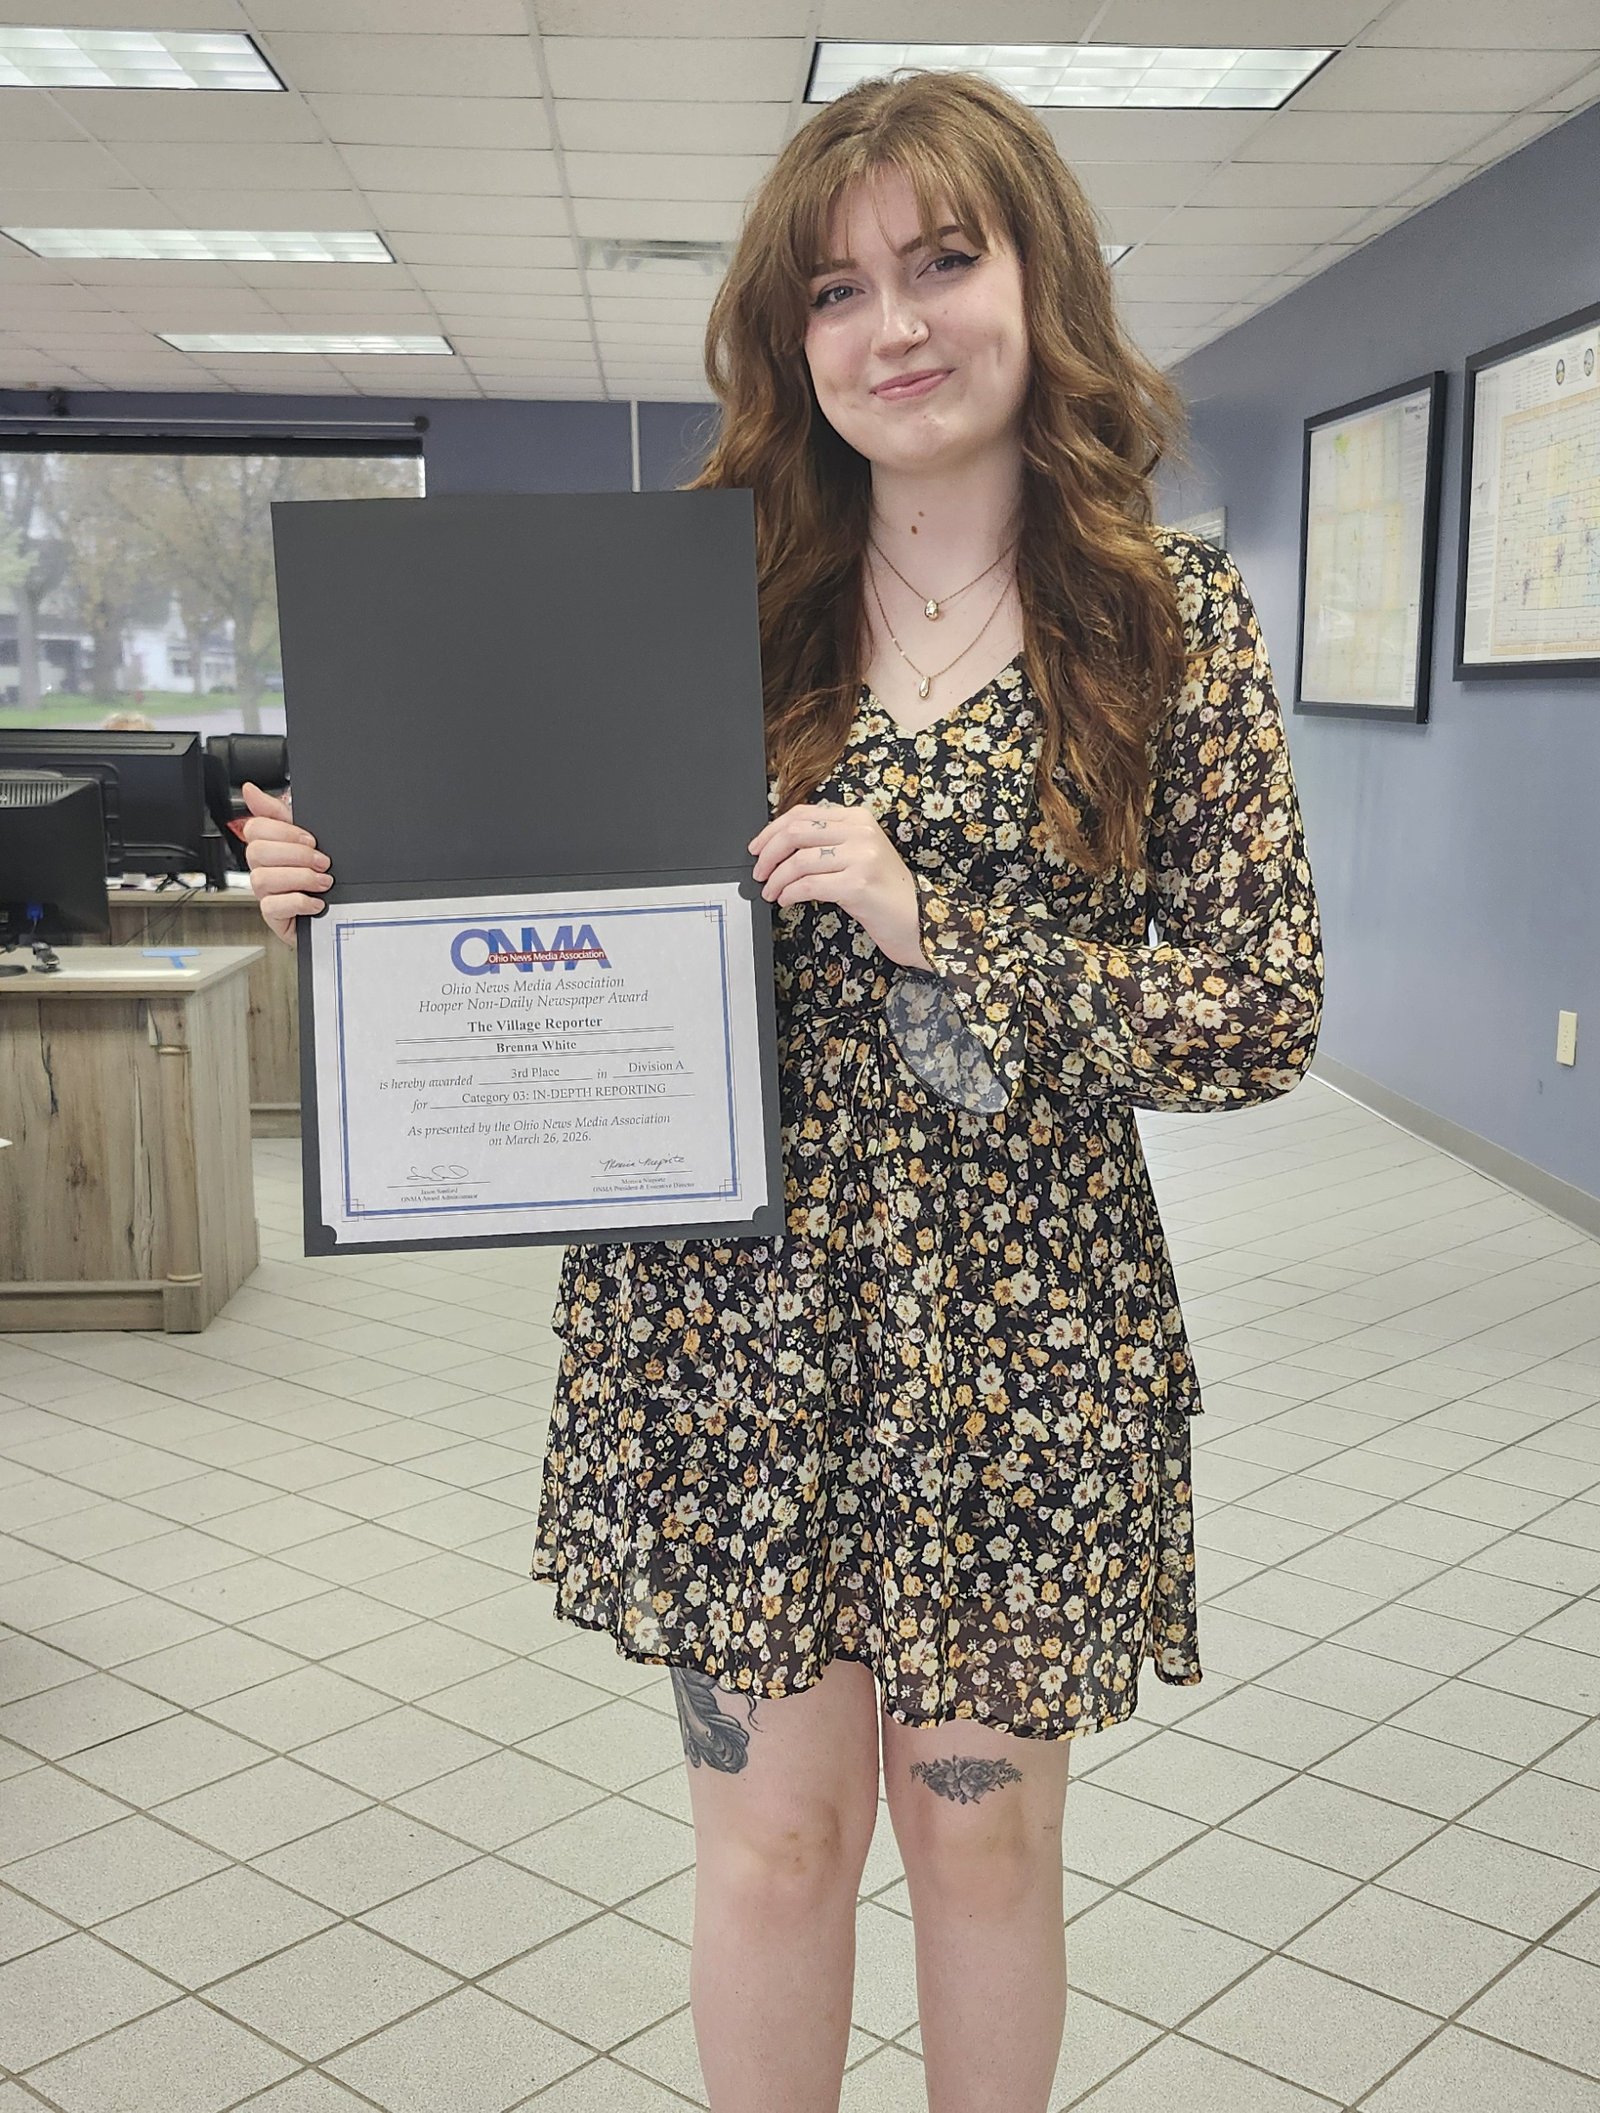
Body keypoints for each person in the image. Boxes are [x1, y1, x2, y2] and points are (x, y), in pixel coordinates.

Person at [242, 68, 1323, 2113]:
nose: (891, 325)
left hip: (1022, 1336)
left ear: (1040, 279)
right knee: (767, 1840)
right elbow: (517, 881)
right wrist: (347, 891)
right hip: (722, 1323)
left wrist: (947, 933)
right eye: (834, 292)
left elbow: (1255, 1003)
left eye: (941, 260)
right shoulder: (699, 606)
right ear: (784, 339)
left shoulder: (1165, 628)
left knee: (981, 1840)